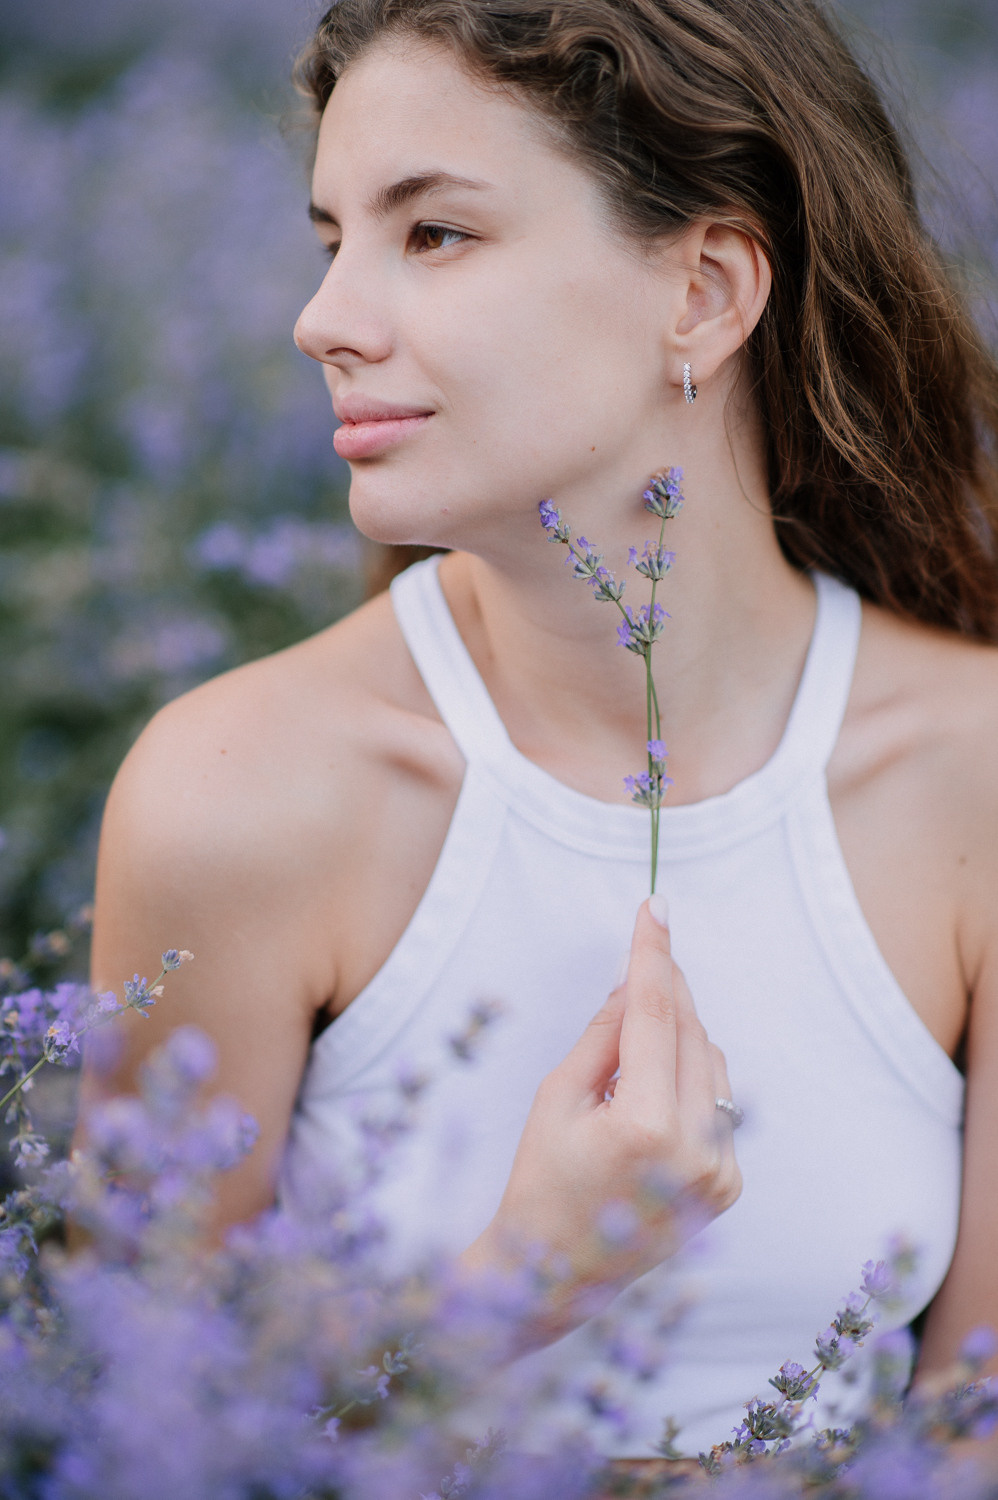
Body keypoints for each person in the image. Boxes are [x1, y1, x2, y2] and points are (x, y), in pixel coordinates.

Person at [80, 0, 998, 1463]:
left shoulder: (972, 777)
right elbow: (121, 1437)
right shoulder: (238, 797)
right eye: (333, 241)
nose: (323, 318)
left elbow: (973, 1432)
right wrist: (522, 1285)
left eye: (432, 234)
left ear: (700, 292)